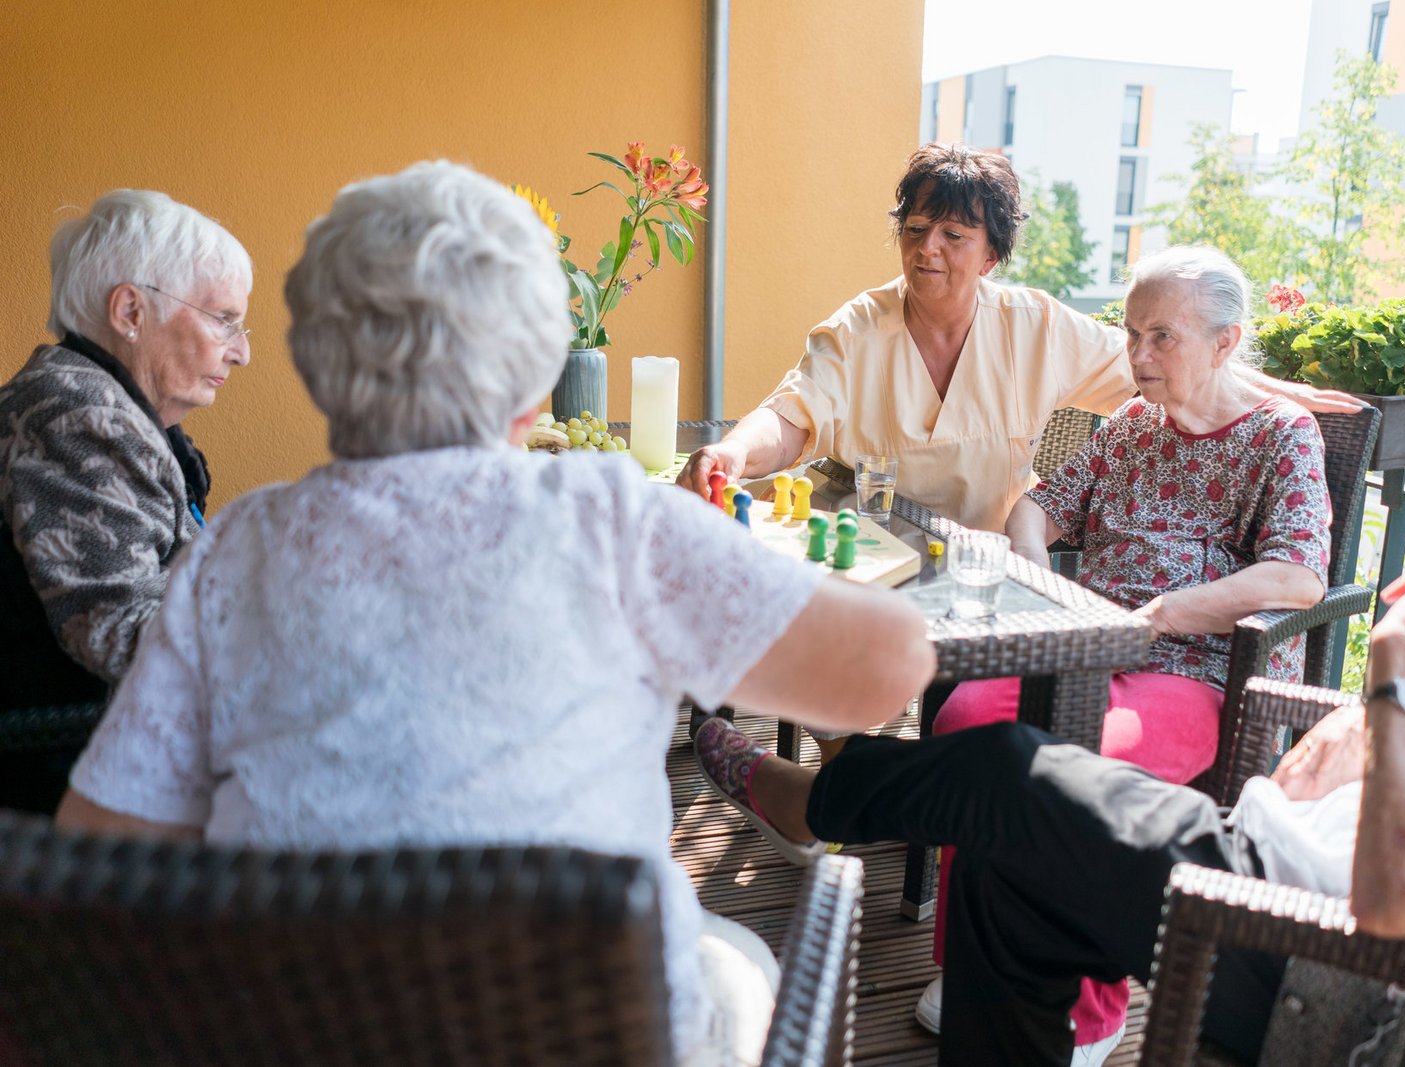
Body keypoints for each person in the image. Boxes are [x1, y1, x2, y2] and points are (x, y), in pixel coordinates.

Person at [53, 161, 936, 1067]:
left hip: (302, 1027)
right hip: (592, 1026)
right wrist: (715, 579)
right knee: (736, 961)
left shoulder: (233, 551)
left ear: (317, 358)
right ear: (531, 376)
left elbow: (99, 849)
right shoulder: (609, 518)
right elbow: (893, 667)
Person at [695, 364, 1405, 1066]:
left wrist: (1395, 671)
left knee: (1008, 771)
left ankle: (815, 801)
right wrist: (1366, 723)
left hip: (1303, 952)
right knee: (1002, 876)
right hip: (1269, 851)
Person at [912, 244, 1331, 1058]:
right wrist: (1043, 582)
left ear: (1226, 341)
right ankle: (969, 959)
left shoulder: (1283, 435)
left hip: (1202, 673)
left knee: (1085, 772)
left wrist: (1172, 613)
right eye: (1131, 333)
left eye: (1161, 337)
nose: (1137, 357)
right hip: (1089, 649)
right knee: (965, 715)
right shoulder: (1132, 425)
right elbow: (1037, 507)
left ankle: (1088, 1012)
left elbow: (1300, 576)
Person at [677, 142, 1358, 534]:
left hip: (980, 565)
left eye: (953, 235)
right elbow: (792, 418)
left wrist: (1284, 395)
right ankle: (841, 770)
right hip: (868, 551)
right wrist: (732, 452)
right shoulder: (860, 325)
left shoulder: (1034, 325)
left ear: (991, 255)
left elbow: (1163, 368)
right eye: (915, 230)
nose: (928, 250)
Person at [0, 189, 252, 813]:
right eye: (223, 319)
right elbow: (121, 635)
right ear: (130, 311)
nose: (242, 351)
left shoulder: (105, 414)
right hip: (62, 783)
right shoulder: (76, 419)